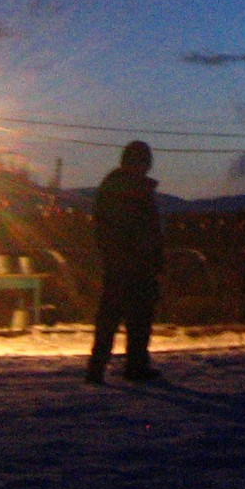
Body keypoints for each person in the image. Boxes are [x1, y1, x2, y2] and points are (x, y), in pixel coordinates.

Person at [87, 140, 164, 383]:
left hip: (125, 262)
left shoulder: (116, 187)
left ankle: (105, 366)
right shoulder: (131, 189)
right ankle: (127, 366)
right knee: (130, 316)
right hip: (130, 263)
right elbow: (146, 229)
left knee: (119, 316)